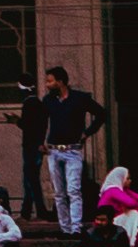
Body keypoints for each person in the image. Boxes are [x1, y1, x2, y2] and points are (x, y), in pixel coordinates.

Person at [25, 64, 100, 234]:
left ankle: (76, 228)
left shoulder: (79, 98)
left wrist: (87, 133)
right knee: (59, 192)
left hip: (72, 150)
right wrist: (40, 142)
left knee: (73, 190)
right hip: (53, 150)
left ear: (60, 82)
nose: (47, 84)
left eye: (50, 81)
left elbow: (101, 113)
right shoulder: (49, 100)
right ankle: (65, 228)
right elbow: (43, 122)